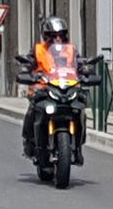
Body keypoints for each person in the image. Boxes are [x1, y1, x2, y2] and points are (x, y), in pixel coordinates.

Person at [21, 16, 89, 157]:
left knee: (80, 108)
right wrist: (27, 72)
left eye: (61, 35)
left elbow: (79, 63)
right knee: (32, 111)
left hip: (66, 87)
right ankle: (29, 141)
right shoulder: (39, 50)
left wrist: (86, 71)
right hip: (43, 89)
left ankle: (78, 145)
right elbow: (29, 63)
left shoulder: (71, 50)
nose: (58, 39)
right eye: (53, 36)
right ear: (46, 37)